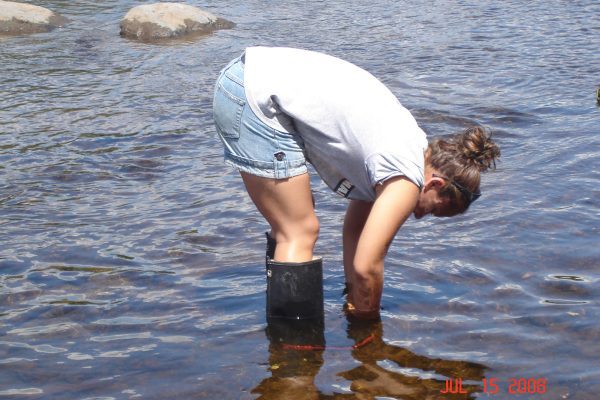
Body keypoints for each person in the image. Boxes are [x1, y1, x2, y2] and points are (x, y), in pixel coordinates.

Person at [212, 46, 500, 320]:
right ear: (434, 185)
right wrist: (368, 322)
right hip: (256, 96)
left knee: (293, 219)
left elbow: (355, 233)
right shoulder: (406, 180)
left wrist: (353, 297)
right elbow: (367, 266)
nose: (419, 215)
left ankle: (282, 331)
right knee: (298, 231)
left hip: (249, 77)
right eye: (434, 210)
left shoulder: (405, 149)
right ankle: (293, 350)